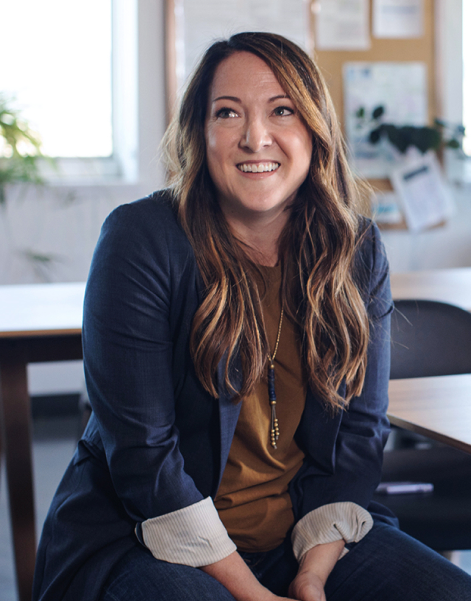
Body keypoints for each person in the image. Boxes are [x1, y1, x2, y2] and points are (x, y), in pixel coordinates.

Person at [32, 32, 471, 601]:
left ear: (314, 130)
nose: (254, 137)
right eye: (227, 113)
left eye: (281, 110)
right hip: (144, 536)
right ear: (201, 133)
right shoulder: (140, 239)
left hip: (305, 535)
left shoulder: (355, 247)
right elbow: (144, 459)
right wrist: (256, 595)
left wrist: (311, 576)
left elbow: (360, 436)